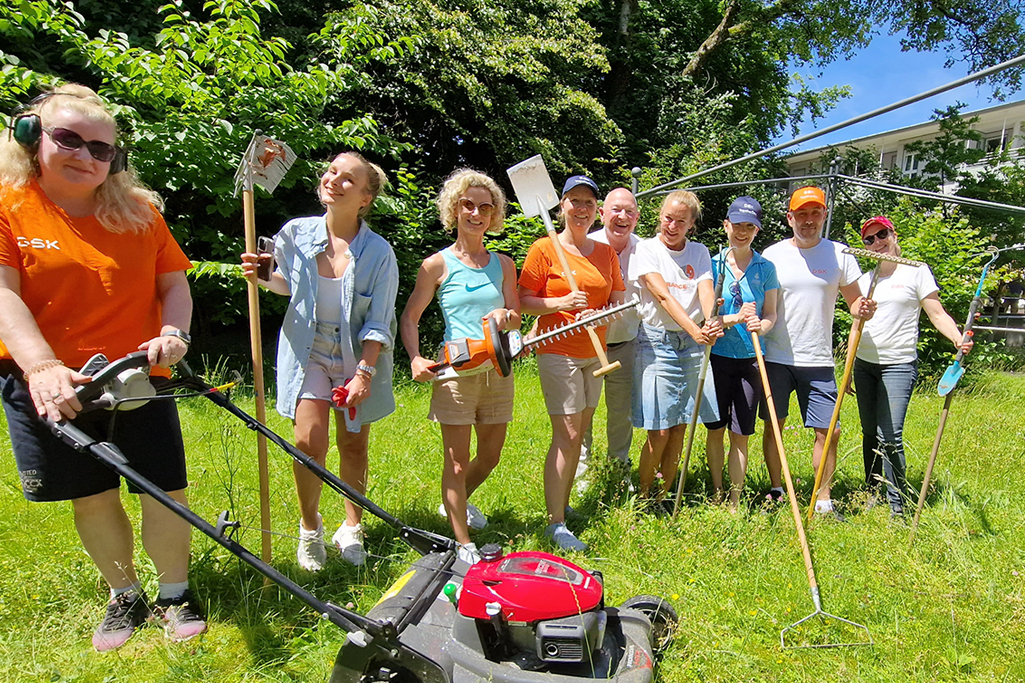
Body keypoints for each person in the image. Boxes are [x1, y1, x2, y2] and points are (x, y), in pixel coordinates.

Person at [0, 84, 205, 650]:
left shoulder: (139, 212)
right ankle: (124, 594)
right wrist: (41, 366)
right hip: (52, 383)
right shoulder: (7, 207)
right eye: (68, 140)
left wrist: (173, 332)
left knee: (164, 488)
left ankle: (175, 592)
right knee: (92, 493)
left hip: (137, 372)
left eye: (101, 149)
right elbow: (3, 293)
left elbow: (173, 283)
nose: (85, 156)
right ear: (30, 138)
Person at [242, 151, 397, 571]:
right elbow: (284, 284)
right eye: (331, 172)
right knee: (308, 443)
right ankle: (310, 528)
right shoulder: (295, 233)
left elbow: (380, 321)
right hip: (307, 350)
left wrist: (364, 373)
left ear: (365, 198)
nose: (334, 181)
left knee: (353, 444)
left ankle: (352, 526)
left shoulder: (378, 253)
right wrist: (261, 275)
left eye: (348, 179)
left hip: (355, 356)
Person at [400, 169, 520, 563]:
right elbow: (410, 317)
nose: (476, 213)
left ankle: (455, 501)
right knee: (455, 458)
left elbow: (516, 315)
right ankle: (462, 541)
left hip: (498, 368)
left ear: (494, 215)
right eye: (468, 205)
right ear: (455, 209)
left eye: (485, 207)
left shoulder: (503, 263)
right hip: (455, 371)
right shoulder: (437, 265)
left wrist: (507, 314)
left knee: (491, 455)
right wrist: (416, 357)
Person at [518, 175, 625, 551]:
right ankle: (555, 523)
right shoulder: (544, 249)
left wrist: (603, 316)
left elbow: (617, 300)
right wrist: (559, 304)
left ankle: (561, 505)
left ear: (596, 210)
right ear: (561, 205)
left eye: (588, 203)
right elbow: (523, 301)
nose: (581, 209)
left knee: (579, 433)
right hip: (557, 349)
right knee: (567, 435)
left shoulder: (604, 252)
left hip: (594, 352)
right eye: (574, 201)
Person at [760, 186, 875, 520]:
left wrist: (862, 308)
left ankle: (823, 499)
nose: (808, 221)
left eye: (815, 213)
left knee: (830, 431)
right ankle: (776, 489)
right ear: (790, 218)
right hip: (777, 356)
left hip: (819, 359)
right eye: (802, 214)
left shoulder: (840, 254)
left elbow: (855, 303)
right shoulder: (772, 255)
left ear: (824, 215)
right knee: (774, 427)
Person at [852, 216, 972, 518]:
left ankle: (898, 505)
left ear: (893, 235)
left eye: (881, 235)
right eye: (869, 240)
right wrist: (848, 366)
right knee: (869, 432)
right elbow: (856, 324)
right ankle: (872, 490)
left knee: (890, 435)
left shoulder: (917, 272)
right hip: (864, 364)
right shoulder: (865, 281)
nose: (877, 243)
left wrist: (958, 338)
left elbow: (936, 313)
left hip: (898, 365)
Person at [629, 190, 722, 501]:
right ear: (659, 216)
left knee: (682, 426)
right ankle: (643, 499)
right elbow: (663, 295)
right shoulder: (646, 249)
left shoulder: (699, 252)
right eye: (668, 218)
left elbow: (705, 290)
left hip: (693, 346)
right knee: (659, 429)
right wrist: (696, 329)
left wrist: (710, 320)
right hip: (657, 342)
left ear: (691, 224)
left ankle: (663, 497)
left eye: (680, 222)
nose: (671, 226)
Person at [704, 197, 778, 511]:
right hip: (717, 357)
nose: (742, 232)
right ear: (726, 226)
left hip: (751, 358)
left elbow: (771, 314)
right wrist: (728, 317)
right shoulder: (712, 264)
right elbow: (704, 317)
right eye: (737, 225)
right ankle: (718, 490)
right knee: (716, 428)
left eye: (750, 226)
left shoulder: (766, 268)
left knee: (741, 433)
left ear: (757, 230)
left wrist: (761, 324)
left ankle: (734, 499)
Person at [578, 187, 641, 490]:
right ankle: (580, 474)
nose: (622, 216)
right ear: (602, 214)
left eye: (629, 211)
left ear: (637, 218)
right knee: (582, 412)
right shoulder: (586, 246)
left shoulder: (646, 251)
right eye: (615, 209)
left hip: (626, 343)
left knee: (621, 413)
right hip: (586, 344)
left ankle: (619, 469)